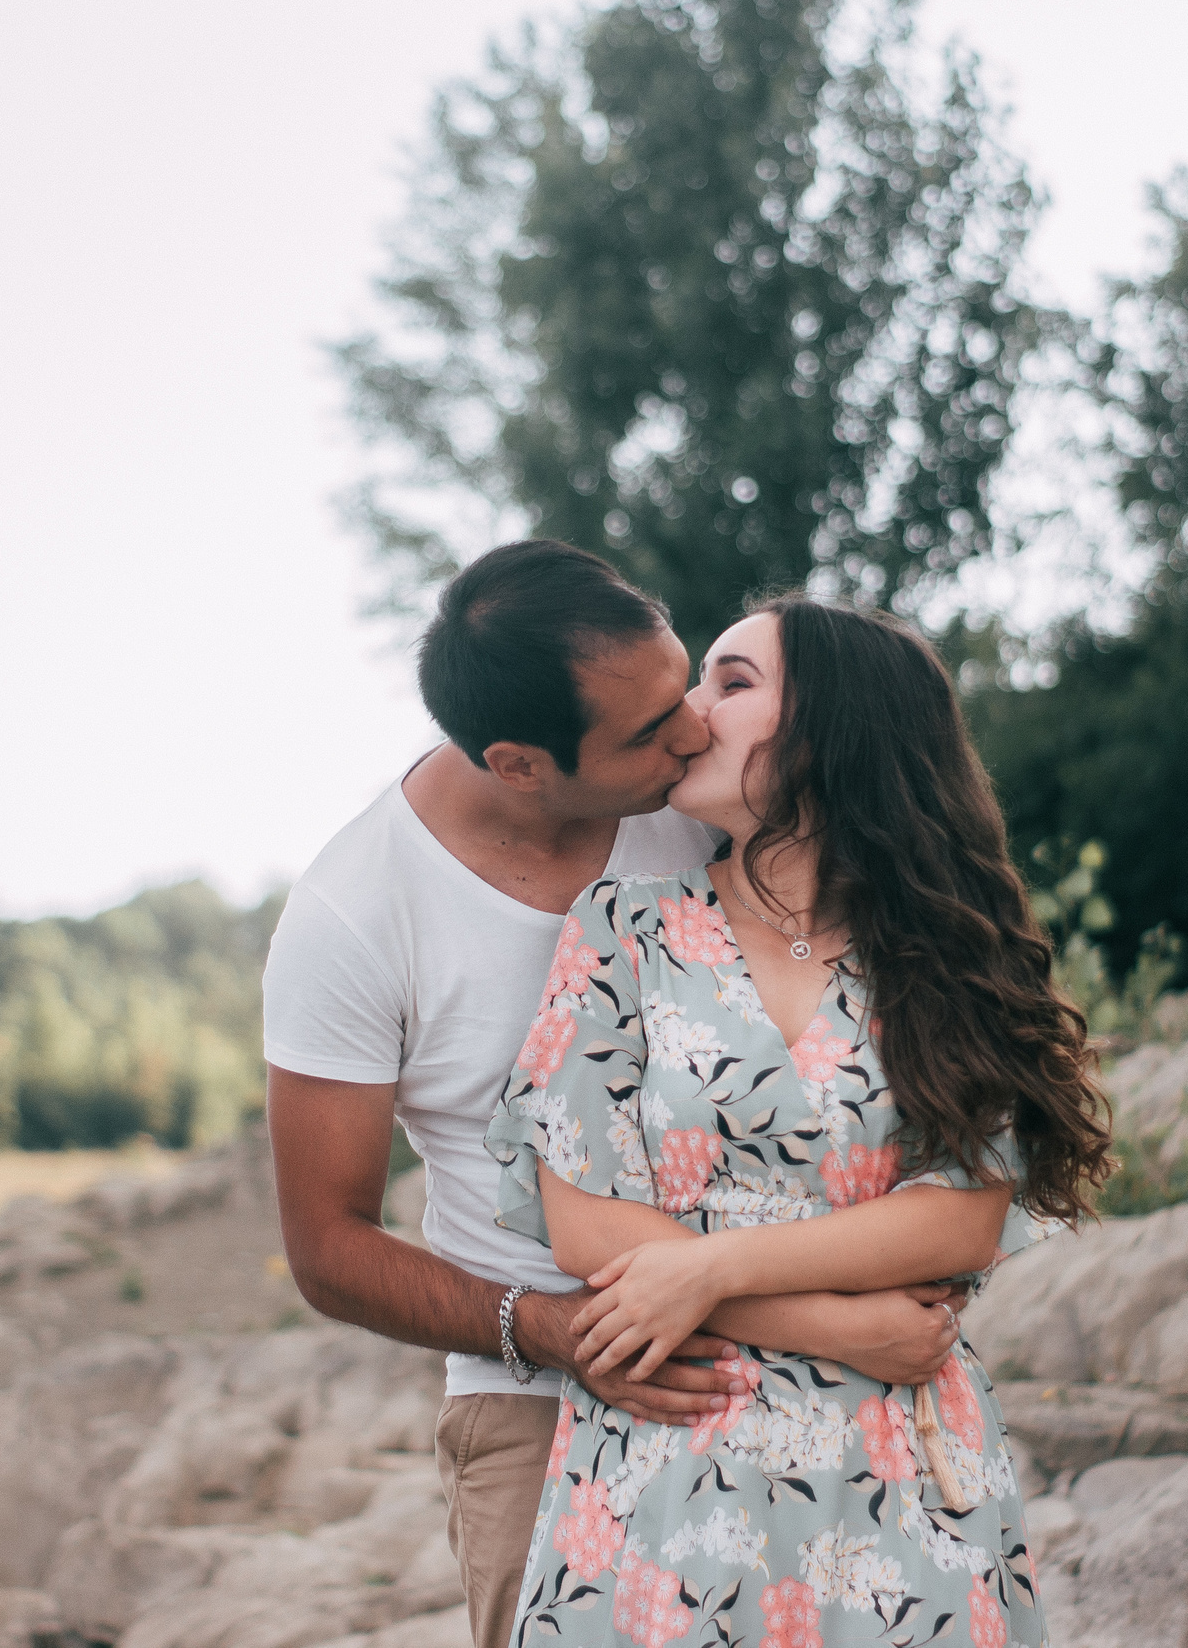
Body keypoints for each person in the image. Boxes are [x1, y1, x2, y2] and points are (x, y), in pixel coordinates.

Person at [264, 542, 977, 1648]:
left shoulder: (702, 798)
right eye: (648, 732)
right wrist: (548, 1329)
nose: (690, 728)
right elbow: (325, 1244)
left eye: (688, 686)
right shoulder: (355, 917)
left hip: (829, 1373)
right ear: (519, 765)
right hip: (543, 1394)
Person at [485, 594, 1113, 1647]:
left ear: (832, 730)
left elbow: (959, 1219)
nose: (689, 711)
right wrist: (835, 1324)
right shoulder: (620, 930)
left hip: (896, 1471)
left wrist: (708, 1270)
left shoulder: (947, 953)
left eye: (733, 683)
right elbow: (585, 1225)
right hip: (671, 1459)